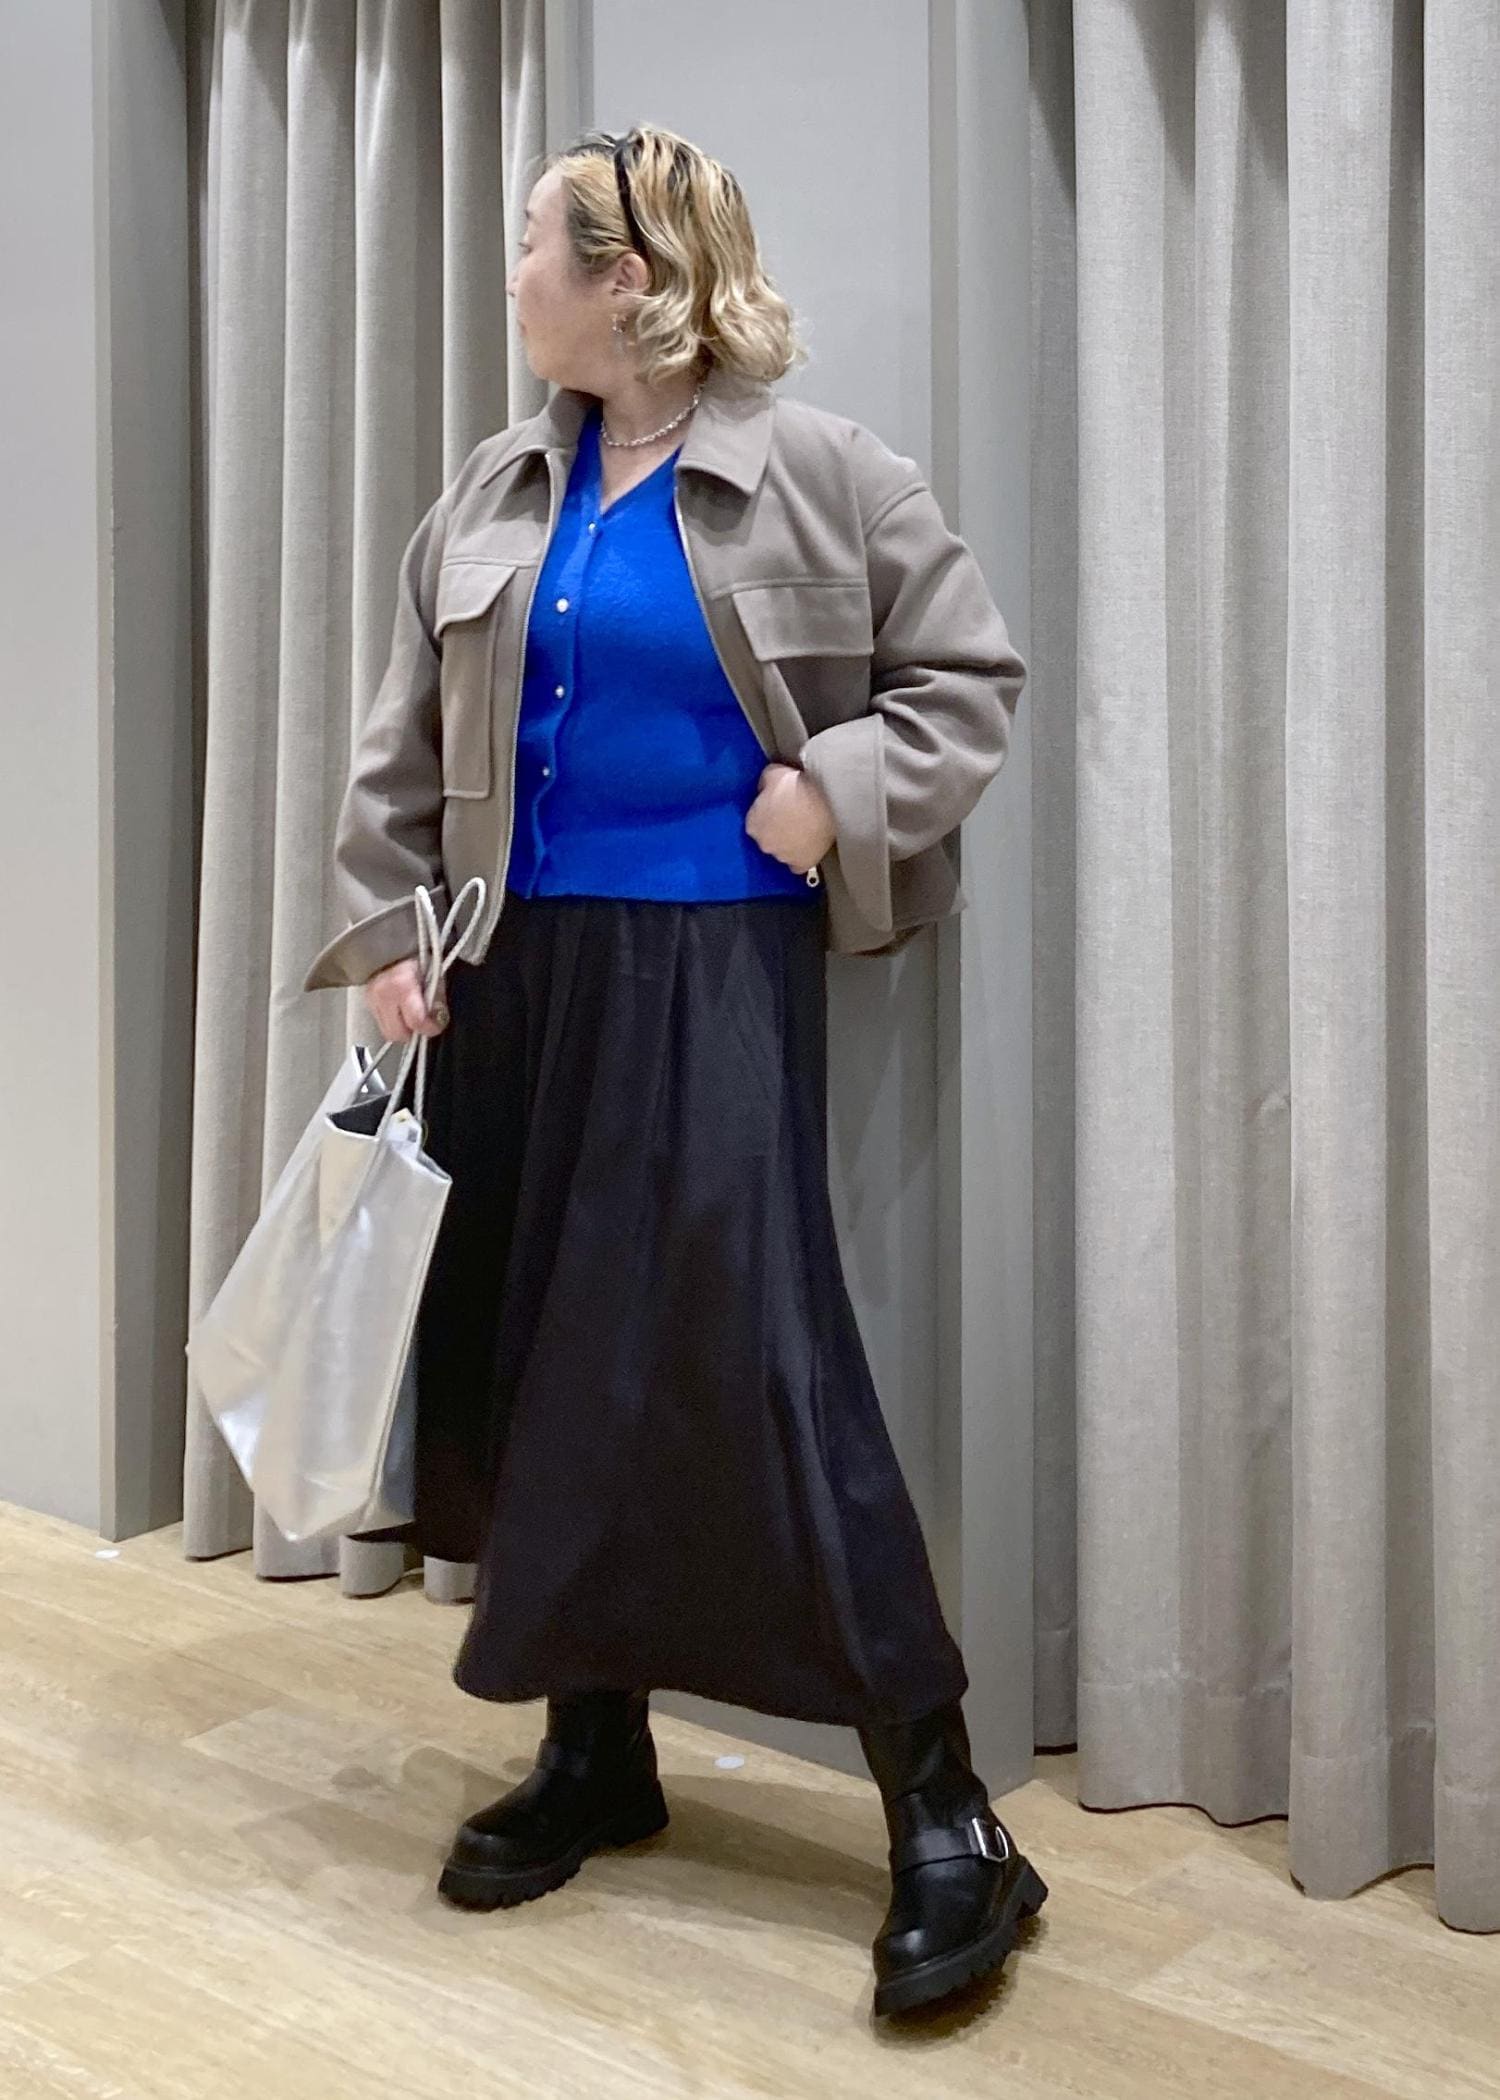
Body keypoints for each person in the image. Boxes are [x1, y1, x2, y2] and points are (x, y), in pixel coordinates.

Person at [301, 123, 1046, 2019]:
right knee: (544, 1352)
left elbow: (969, 681)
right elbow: (406, 744)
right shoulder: (495, 488)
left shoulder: (823, 474)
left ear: (625, 278)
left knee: (761, 1360)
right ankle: (597, 1748)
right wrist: (390, 939)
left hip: (713, 966)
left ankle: (951, 1812)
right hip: (513, 975)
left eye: (530, 246)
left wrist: (836, 792)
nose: (512, 278)